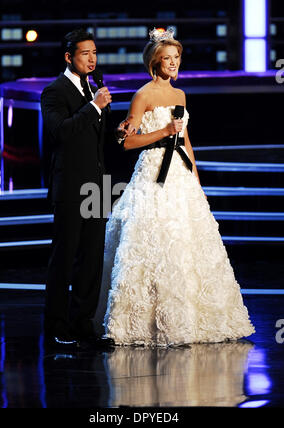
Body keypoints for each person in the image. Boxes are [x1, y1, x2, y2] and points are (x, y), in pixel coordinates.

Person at [98, 28, 255, 347]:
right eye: (167, 58)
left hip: (180, 175)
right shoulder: (143, 95)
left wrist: (195, 175)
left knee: (187, 243)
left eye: (176, 57)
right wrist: (164, 132)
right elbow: (127, 142)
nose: (173, 63)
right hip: (154, 172)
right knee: (153, 241)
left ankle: (194, 319)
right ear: (155, 62)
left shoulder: (180, 95)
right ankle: (144, 320)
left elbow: (185, 140)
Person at [40, 28, 133, 349]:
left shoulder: (95, 89)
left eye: (95, 53)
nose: (92, 59)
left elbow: (100, 140)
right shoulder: (54, 92)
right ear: (69, 57)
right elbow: (60, 132)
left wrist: (118, 133)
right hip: (69, 187)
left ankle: (83, 324)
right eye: (85, 54)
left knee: (91, 258)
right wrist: (94, 106)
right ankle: (56, 326)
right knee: (65, 257)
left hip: (97, 186)